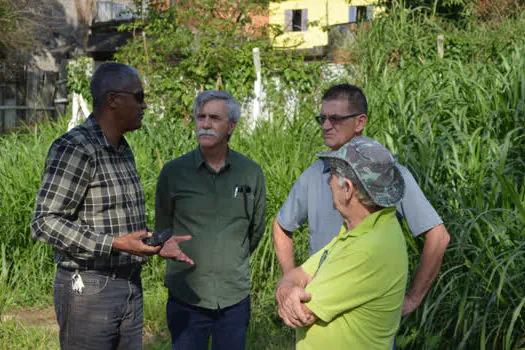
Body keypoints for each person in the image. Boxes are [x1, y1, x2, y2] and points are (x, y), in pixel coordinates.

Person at [31, 62, 191, 350]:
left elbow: (112, 221)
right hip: (89, 289)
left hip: (129, 283)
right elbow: (44, 221)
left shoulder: (121, 148)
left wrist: (152, 244)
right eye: (139, 97)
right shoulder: (76, 147)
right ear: (113, 100)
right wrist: (114, 243)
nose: (145, 105)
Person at [273, 84, 450, 319]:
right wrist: (291, 282)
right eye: (322, 118)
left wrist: (412, 298)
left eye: (335, 118)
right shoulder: (314, 174)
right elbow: (282, 226)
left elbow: (438, 236)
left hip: (368, 313)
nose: (326, 126)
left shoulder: (387, 174)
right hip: (317, 305)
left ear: (360, 122)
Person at [155, 90, 267, 350]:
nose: (205, 124)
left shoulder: (250, 173)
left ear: (232, 126)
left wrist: (231, 259)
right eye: (200, 117)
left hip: (233, 297)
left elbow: (256, 229)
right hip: (187, 296)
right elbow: (163, 227)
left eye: (215, 118)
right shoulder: (174, 173)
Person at [276, 136, 408, 349]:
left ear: (347, 188)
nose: (328, 183)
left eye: (332, 175)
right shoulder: (365, 229)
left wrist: (287, 294)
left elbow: (303, 311)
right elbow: (297, 275)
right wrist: (285, 291)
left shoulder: (368, 250)